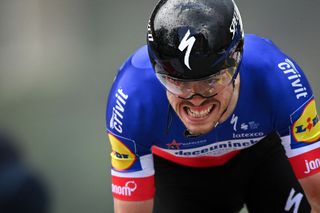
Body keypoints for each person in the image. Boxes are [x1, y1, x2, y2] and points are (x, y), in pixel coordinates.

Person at [106, 0, 320, 212]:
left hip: (264, 159)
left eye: (211, 81)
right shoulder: (132, 99)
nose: (196, 99)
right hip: (181, 179)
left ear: (237, 62)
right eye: (179, 83)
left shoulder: (279, 79)